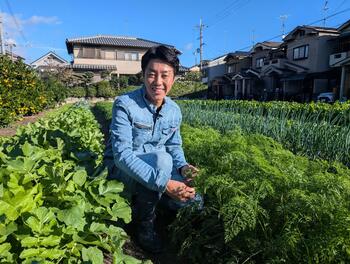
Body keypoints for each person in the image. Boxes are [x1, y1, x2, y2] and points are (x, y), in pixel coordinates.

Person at [104, 45, 203, 253]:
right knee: (162, 160)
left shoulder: (174, 110)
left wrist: (184, 167)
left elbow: (174, 145)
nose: (158, 82)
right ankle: (144, 225)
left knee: (194, 201)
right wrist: (165, 183)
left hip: (158, 171)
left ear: (174, 78)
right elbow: (122, 156)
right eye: (151, 74)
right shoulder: (125, 104)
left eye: (165, 75)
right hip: (121, 171)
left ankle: (157, 203)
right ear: (143, 75)